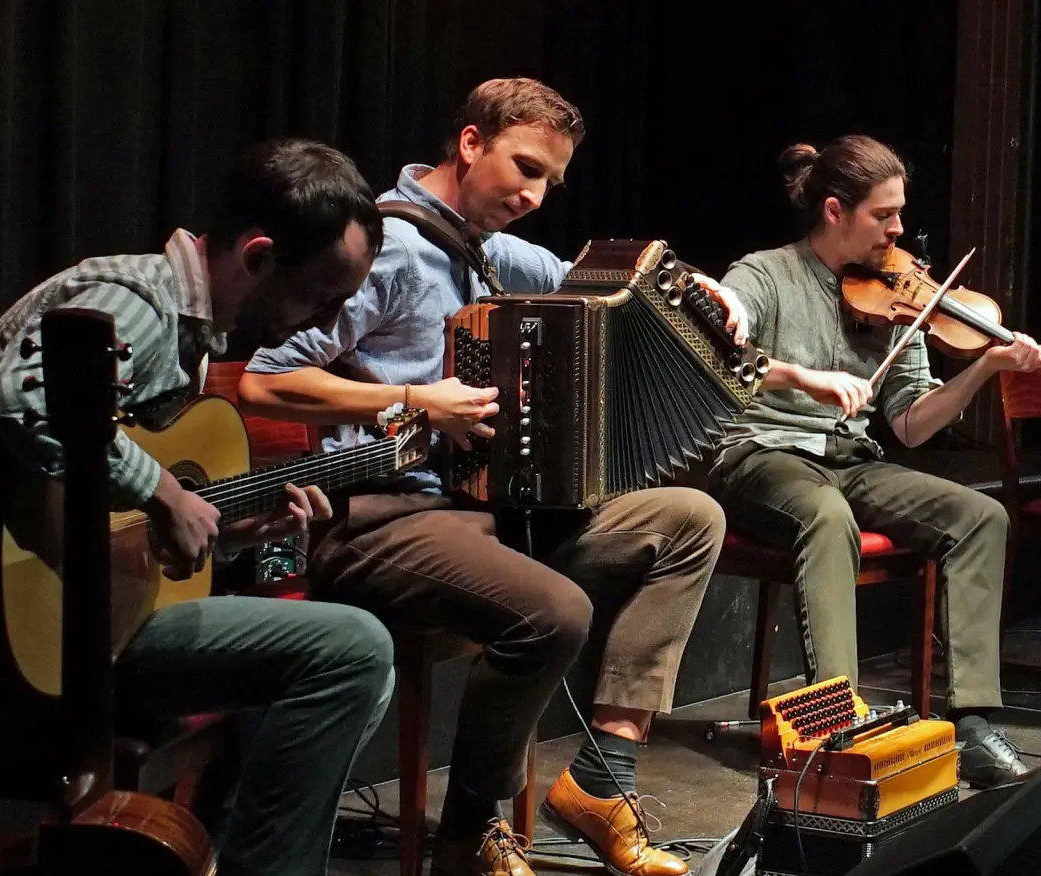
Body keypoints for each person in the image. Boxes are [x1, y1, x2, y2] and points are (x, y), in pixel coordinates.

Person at [239, 77, 745, 876]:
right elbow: (265, 380)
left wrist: (694, 293)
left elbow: (602, 282)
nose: (535, 194)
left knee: (687, 519)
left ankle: (602, 781)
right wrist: (413, 398)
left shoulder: (487, 248)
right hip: (379, 518)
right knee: (555, 611)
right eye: (525, 167)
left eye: (552, 180)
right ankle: (467, 836)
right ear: (470, 143)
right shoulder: (390, 246)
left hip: (481, 513)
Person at [0, 137, 397, 876]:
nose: (320, 325)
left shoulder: (190, 335)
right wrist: (164, 492)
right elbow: (20, 402)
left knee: (348, 648)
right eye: (320, 296)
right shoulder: (141, 302)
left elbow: (119, 517)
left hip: (101, 615)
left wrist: (227, 525)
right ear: (258, 258)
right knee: (352, 650)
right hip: (7, 628)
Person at [707, 136, 1041, 788]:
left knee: (980, 516)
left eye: (899, 214)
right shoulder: (764, 273)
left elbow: (912, 426)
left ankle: (973, 720)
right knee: (824, 513)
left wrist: (983, 369)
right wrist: (777, 354)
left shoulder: (895, 290)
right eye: (883, 215)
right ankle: (836, 722)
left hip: (848, 458)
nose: (898, 230)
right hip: (762, 453)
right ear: (834, 210)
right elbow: (727, 343)